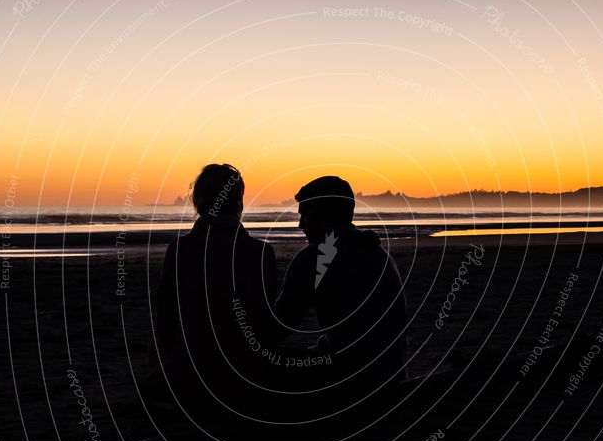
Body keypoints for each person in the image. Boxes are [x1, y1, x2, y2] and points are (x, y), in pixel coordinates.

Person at [148, 164, 277, 421]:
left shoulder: (181, 250)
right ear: (239, 201)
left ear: (198, 201)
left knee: (152, 370)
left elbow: (165, 319)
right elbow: (266, 320)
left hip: (193, 373)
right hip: (247, 376)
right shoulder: (262, 252)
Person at [274, 176, 408, 403]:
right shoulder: (379, 253)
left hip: (351, 381)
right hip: (392, 374)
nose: (300, 225)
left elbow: (279, 327)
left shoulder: (314, 257)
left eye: (303, 216)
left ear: (319, 215)